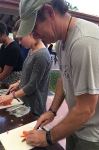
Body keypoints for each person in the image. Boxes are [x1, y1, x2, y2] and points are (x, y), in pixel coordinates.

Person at [16, 0, 99, 149]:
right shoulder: (61, 42)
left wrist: (48, 137)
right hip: (76, 125)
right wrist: (53, 111)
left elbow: (86, 109)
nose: (34, 35)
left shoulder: (83, 42)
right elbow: (64, 77)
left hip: (93, 134)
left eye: (34, 28)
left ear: (49, 12)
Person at [0, 31, 51, 117]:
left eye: (21, 39)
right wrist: (18, 83)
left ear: (30, 34)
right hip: (25, 102)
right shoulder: (31, 50)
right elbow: (28, 74)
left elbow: (32, 86)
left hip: (34, 107)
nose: (20, 43)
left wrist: (11, 96)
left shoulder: (42, 55)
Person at [0, 20, 23, 88]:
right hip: (6, 82)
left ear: (4, 33)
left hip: (14, 84)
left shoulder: (13, 48)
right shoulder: (3, 46)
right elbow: (1, 66)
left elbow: (5, 73)